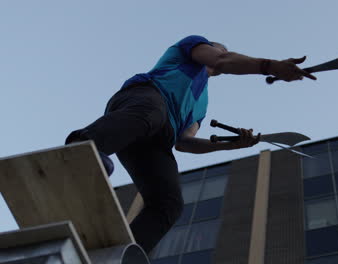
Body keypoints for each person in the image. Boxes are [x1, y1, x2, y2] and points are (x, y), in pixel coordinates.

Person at [65, 35, 316, 253]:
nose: (218, 54)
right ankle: (82, 146)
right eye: (216, 49)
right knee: (155, 112)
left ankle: (123, 253)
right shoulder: (190, 47)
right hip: (144, 98)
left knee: (169, 204)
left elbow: (185, 143)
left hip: (158, 139)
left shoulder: (202, 104)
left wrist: (232, 145)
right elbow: (222, 60)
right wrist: (270, 66)